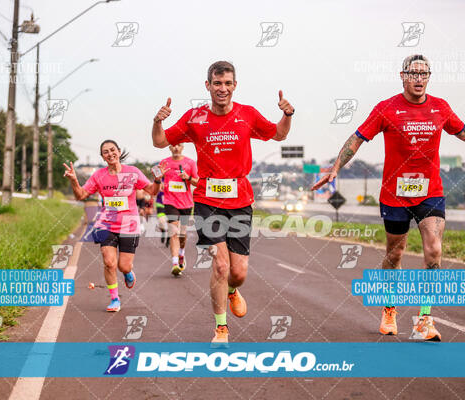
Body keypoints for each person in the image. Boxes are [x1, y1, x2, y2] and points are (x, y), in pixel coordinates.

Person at [312, 54, 465, 341]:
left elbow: (463, 131)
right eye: (413, 73)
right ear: (402, 76)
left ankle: (425, 319)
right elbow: (357, 137)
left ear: (429, 77)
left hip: (430, 192)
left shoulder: (440, 107)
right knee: (395, 254)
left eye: (424, 73)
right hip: (394, 194)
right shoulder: (386, 109)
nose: (419, 79)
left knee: (434, 249)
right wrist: (335, 168)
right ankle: (389, 309)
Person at [151, 61, 294, 343]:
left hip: (240, 201)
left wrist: (287, 115)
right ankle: (221, 327)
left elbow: (279, 134)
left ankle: (232, 290)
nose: (222, 88)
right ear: (208, 86)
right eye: (217, 83)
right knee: (220, 266)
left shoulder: (247, 114)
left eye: (228, 83)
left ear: (235, 85)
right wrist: (158, 121)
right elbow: (159, 142)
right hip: (207, 200)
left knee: (238, 273)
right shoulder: (195, 117)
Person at [63, 140, 165, 312]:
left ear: (119, 151)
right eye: (105, 152)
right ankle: (114, 299)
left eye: (112, 150)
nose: (110, 154)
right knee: (109, 262)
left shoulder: (133, 172)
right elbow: (81, 195)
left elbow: (152, 191)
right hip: (106, 223)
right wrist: (74, 180)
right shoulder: (98, 176)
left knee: (123, 266)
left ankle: (127, 272)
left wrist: (157, 180)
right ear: (102, 157)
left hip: (129, 224)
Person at [158, 144, 198, 276]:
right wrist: (159, 178)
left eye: (179, 145)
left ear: (183, 147)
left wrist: (188, 178)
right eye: (173, 145)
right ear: (169, 148)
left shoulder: (190, 163)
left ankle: (181, 253)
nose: (176, 148)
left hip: (186, 203)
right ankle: (175, 263)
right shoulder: (164, 162)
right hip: (170, 201)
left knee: (182, 234)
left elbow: (198, 182)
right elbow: (156, 178)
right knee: (173, 232)